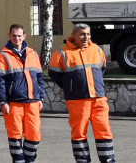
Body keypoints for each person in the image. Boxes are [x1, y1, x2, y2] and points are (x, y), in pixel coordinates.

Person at [49, 23, 115, 163]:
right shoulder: (62, 53)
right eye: (82, 34)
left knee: (104, 130)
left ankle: (108, 160)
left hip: (99, 98)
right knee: (79, 133)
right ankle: (82, 160)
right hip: (77, 100)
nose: (86, 37)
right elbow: (54, 74)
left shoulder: (97, 50)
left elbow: (101, 69)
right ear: (73, 35)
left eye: (88, 34)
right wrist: (70, 87)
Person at [0, 24, 46, 163]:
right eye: (14, 35)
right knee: (15, 135)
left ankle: (29, 159)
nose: (17, 38)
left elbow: (40, 77)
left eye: (19, 35)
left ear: (24, 36)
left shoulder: (33, 54)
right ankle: (19, 161)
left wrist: (40, 97)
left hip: (33, 102)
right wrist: (3, 102)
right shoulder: (2, 56)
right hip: (13, 103)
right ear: (9, 36)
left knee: (34, 135)